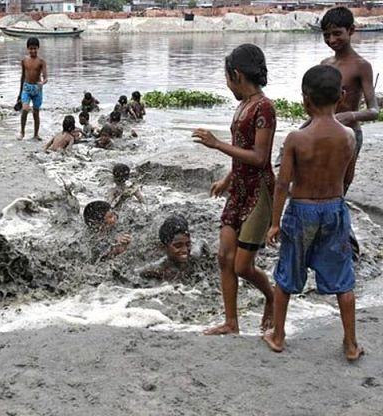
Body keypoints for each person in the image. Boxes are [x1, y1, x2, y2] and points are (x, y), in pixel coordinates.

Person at [263, 65, 362, 361]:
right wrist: (335, 200)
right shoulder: (348, 136)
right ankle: (350, 343)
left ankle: (278, 336)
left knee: (287, 275)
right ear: (342, 97)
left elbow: (283, 184)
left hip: (302, 209)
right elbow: (347, 178)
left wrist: (274, 223)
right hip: (334, 207)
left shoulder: (296, 138)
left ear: (305, 99)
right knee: (343, 279)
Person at [192, 44, 275, 335]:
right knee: (224, 257)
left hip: (259, 193)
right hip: (238, 189)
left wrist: (216, 144)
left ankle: (272, 296)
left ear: (236, 75)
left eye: (228, 79)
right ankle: (231, 322)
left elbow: (260, 158)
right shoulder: (243, 106)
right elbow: (243, 151)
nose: (227, 85)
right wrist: (227, 180)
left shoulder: (264, 107)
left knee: (242, 266)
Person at [320, 7, 379, 164]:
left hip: (349, 134)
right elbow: (318, 105)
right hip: (324, 132)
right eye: (326, 35)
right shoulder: (325, 64)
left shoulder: (361, 66)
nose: (331, 40)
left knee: (339, 184)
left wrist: (349, 115)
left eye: (337, 33)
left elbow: (373, 110)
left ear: (351, 30)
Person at [140, 214, 192, 282]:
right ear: (163, 247)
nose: (185, 250)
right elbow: (136, 274)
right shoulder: (157, 270)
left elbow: (202, 242)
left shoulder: (195, 257)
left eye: (188, 244)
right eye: (178, 246)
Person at [18, 37, 48, 140]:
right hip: (26, 88)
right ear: (27, 49)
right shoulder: (24, 60)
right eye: (31, 49)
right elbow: (22, 77)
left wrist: (42, 83)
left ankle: (36, 134)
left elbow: (46, 77)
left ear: (38, 48)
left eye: (35, 48)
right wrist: (19, 93)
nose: (33, 51)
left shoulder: (41, 61)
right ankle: (22, 132)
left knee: (36, 112)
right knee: (25, 109)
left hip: (37, 89)